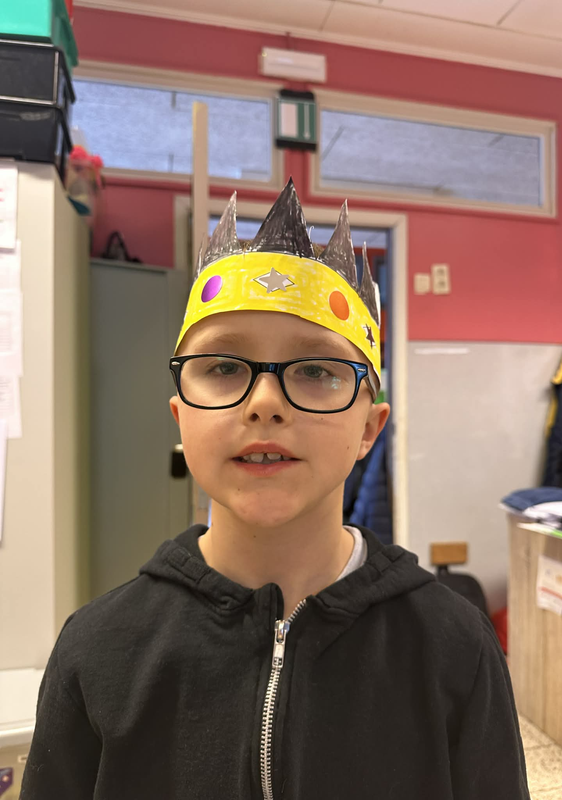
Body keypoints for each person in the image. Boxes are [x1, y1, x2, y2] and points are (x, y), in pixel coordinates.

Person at [20, 180, 530, 800]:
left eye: (315, 370)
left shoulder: (453, 647)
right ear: (182, 417)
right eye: (223, 367)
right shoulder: (97, 650)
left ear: (369, 429)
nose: (264, 402)